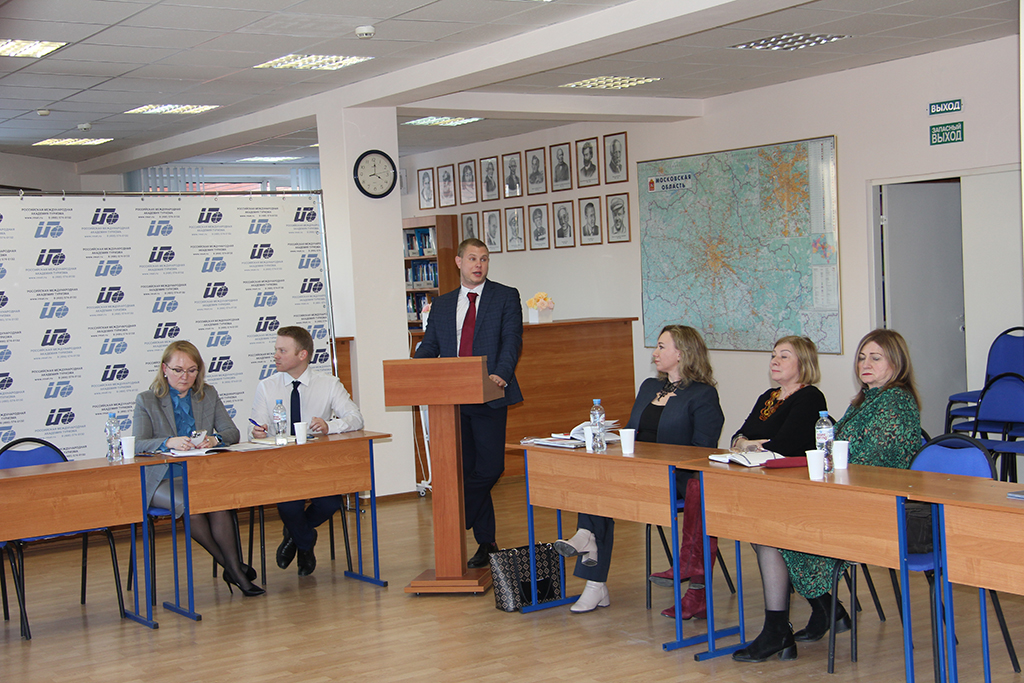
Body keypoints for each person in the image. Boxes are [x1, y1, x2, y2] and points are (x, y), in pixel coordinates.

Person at [553, 325, 724, 613]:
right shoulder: (649, 387)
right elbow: (632, 432)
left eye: (661, 347)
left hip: (675, 478)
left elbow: (702, 450)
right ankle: (592, 574)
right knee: (595, 482)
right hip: (637, 473)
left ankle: (590, 558)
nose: (655, 353)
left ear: (682, 353)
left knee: (600, 496)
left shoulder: (702, 394)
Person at [779, 329, 921, 647]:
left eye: (875, 358)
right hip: (847, 493)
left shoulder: (896, 404)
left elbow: (874, 462)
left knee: (786, 525)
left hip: (876, 505)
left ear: (896, 362)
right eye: (861, 358)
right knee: (773, 520)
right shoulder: (866, 400)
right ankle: (825, 610)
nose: (865, 364)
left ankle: (822, 611)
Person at [700, 337, 828, 662]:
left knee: (766, 536)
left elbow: (783, 445)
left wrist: (750, 444)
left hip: (798, 488)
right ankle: (825, 607)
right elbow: (737, 437)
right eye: (773, 355)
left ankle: (780, 629)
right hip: (766, 483)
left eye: (784, 356)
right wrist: (751, 443)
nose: (775, 361)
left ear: (803, 363)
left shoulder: (810, 397)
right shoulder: (768, 397)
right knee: (759, 534)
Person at [415, 238, 523, 569]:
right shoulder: (443, 304)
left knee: (490, 468)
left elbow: (512, 340)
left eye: (484, 259)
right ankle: (487, 542)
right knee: (467, 469)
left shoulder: (506, 296)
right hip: (453, 399)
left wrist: (501, 373)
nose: (479, 264)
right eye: (473, 258)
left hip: (489, 393)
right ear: (459, 262)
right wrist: (413, 368)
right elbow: (431, 346)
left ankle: (460, 510)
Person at [133, 341, 263, 597]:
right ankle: (234, 570)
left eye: (192, 370)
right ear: (164, 369)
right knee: (193, 505)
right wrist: (168, 442)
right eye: (178, 370)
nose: (185, 376)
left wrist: (214, 439)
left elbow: (232, 432)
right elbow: (138, 444)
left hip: (199, 474)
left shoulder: (207, 394)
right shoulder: (147, 400)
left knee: (218, 503)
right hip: (162, 478)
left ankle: (232, 569)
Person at [251, 326, 364, 576]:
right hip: (281, 466)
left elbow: (356, 418)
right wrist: (257, 432)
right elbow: (256, 427)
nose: (276, 355)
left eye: (282, 351)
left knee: (331, 502)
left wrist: (329, 426)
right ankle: (305, 541)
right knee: (289, 506)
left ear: (302, 355)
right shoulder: (267, 386)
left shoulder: (329, 384)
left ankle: (294, 536)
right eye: (276, 350)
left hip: (317, 465)